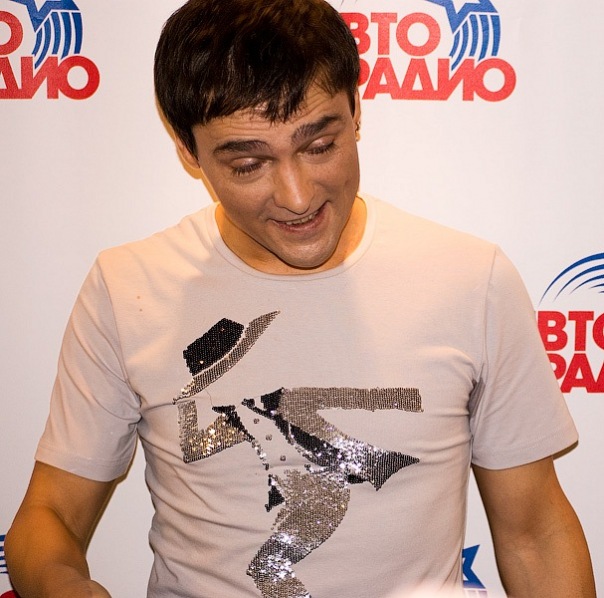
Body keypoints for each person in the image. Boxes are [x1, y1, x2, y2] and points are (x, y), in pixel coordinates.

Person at [5, 0, 596, 596]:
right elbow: (51, 514)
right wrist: (62, 585)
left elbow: (535, 532)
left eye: (319, 146)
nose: (296, 196)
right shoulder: (127, 286)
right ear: (187, 150)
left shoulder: (469, 279)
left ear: (356, 110)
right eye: (249, 164)